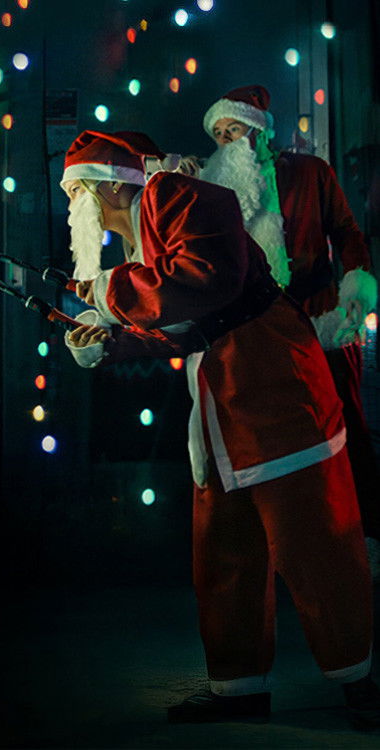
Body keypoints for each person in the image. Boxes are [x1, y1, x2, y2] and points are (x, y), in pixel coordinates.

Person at [60, 129, 380, 729]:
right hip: (223, 404)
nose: (74, 204)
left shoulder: (176, 196)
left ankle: (360, 680)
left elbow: (207, 279)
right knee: (226, 549)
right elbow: (184, 323)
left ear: (107, 186)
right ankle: (238, 687)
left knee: (315, 543)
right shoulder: (141, 235)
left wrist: (109, 291)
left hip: (275, 391)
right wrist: (112, 343)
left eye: (77, 191)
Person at [182, 85, 380, 565]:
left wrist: (355, 284)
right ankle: (289, 545)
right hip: (260, 333)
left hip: (320, 318)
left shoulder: (310, 172)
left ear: (259, 130)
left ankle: (364, 537)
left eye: (234, 129)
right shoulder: (215, 187)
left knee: (345, 426)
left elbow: (347, 232)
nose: (226, 140)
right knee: (273, 441)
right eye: (219, 133)